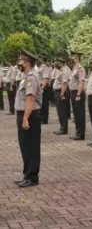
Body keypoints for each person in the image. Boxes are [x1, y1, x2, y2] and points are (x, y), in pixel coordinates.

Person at [14, 49, 42, 188]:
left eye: (21, 60)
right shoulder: (26, 76)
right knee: (25, 146)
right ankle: (27, 175)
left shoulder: (31, 77)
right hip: (24, 114)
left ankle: (32, 177)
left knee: (31, 147)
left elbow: (30, 100)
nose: (19, 63)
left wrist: (25, 119)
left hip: (29, 115)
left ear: (27, 62)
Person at [69, 51, 86, 140]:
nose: (71, 59)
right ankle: (77, 132)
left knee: (79, 114)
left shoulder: (80, 68)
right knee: (76, 114)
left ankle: (81, 134)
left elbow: (81, 82)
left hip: (77, 93)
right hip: (73, 92)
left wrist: (78, 94)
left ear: (77, 58)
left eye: (73, 57)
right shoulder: (74, 68)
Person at [53, 58, 69, 135]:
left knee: (62, 111)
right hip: (57, 92)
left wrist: (62, 94)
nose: (56, 63)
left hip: (61, 92)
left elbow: (64, 83)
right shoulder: (59, 71)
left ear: (61, 63)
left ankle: (64, 129)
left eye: (57, 62)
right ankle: (62, 127)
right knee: (59, 111)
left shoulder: (64, 71)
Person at [37, 55, 50, 124]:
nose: (39, 60)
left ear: (43, 60)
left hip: (43, 86)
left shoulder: (45, 67)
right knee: (40, 103)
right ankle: (41, 118)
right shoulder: (40, 67)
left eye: (40, 59)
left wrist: (42, 88)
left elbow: (45, 78)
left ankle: (44, 119)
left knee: (44, 104)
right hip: (40, 86)